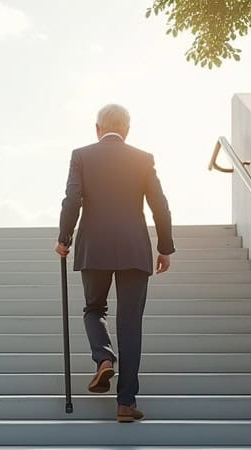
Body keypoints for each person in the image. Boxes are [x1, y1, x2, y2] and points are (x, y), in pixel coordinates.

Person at [55, 103, 175, 423]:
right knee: (130, 323)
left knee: (94, 309)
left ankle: (103, 358)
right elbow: (160, 206)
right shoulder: (143, 158)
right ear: (127, 129)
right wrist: (164, 247)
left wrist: (64, 238)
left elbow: (72, 200)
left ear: (97, 128)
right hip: (134, 250)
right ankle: (125, 403)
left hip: (94, 248)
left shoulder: (81, 155)